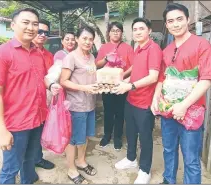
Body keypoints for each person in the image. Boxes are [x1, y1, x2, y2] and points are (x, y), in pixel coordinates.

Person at [0, 8, 56, 184]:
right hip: (16, 124)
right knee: (10, 169)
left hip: (37, 119)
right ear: (13, 25)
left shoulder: (38, 53)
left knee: (29, 162)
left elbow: (41, 80)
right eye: (26, 22)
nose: (31, 27)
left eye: (35, 24)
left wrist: (52, 84)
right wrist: (1, 130)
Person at [151, 3, 211, 184]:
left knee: (191, 158)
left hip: (191, 111)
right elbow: (162, 78)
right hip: (168, 110)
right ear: (166, 24)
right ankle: (168, 180)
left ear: (188, 19)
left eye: (179, 19)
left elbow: (207, 79)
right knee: (168, 149)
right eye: (170, 21)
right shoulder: (166, 50)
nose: (175, 24)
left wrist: (183, 105)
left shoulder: (202, 45)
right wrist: (156, 97)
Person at [112, 18, 163, 184]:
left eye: (141, 28)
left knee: (146, 137)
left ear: (149, 31)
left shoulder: (154, 49)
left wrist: (130, 85)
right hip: (131, 99)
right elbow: (135, 66)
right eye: (135, 29)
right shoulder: (138, 48)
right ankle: (131, 158)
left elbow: (153, 76)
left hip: (144, 102)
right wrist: (123, 75)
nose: (138, 32)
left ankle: (145, 170)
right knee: (131, 132)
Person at [59, 26, 98, 184]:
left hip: (90, 104)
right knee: (74, 139)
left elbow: (91, 77)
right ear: (77, 39)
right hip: (76, 106)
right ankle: (71, 169)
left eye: (90, 39)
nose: (88, 42)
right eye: (84, 38)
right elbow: (63, 81)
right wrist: (84, 88)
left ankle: (81, 161)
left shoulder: (91, 57)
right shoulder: (71, 57)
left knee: (86, 136)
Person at [95, 21, 134, 150]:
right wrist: (106, 58)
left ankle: (117, 137)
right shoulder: (104, 47)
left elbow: (133, 66)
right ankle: (107, 135)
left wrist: (122, 76)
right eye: (113, 30)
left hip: (122, 85)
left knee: (120, 112)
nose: (115, 32)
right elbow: (97, 65)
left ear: (121, 33)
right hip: (107, 85)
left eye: (118, 30)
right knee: (108, 111)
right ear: (109, 33)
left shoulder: (128, 48)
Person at [32, 19, 60, 170]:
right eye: (39, 31)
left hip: (45, 98)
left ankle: (37, 158)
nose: (42, 35)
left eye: (46, 33)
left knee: (40, 129)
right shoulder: (27, 52)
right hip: (29, 100)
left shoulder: (49, 55)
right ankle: (29, 162)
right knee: (28, 133)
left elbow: (51, 76)